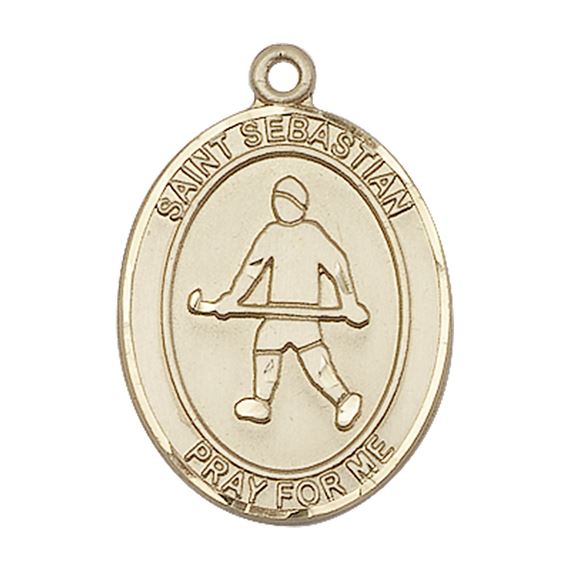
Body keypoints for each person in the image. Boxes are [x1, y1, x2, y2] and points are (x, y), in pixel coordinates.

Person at [212, 175, 369, 431]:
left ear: (300, 206)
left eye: (288, 201)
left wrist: (350, 303)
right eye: (279, 200)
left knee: (314, 359)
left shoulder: (312, 234)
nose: (282, 206)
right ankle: (261, 401)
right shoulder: (271, 234)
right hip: (276, 313)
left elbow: (337, 266)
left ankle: (343, 399)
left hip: (303, 313)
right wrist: (232, 298)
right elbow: (252, 270)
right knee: (266, 346)